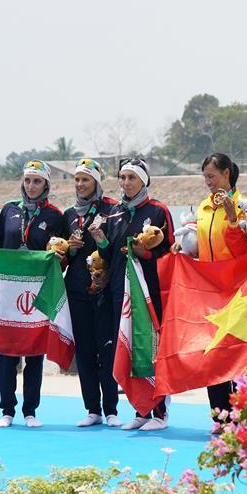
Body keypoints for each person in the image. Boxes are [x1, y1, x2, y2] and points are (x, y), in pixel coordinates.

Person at [0, 160, 65, 428]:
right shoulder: (9, 210)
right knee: (5, 352)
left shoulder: (55, 216)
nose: (31, 186)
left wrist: (60, 256)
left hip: (36, 296)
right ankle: (6, 410)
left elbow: (63, 257)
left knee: (34, 353)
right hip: (6, 295)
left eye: (37, 181)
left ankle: (30, 411)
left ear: (46, 184)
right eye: (28, 180)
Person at [89, 157, 174, 431]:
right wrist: (101, 241)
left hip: (148, 293)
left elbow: (169, 253)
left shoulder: (158, 211)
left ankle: (159, 412)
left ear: (144, 181)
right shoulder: (113, 213)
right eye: (122, 178)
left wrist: (145, 253)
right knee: (126, 349)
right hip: (119, 294)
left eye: (131, 178)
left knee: (150, 350)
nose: (126, 183)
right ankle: (140, 410)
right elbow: (109, 255)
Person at [171, 153, 247, 427]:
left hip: (237, 289)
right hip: (208, 291)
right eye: (205, 177)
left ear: (227, 174)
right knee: (212, 353)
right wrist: (183, 249)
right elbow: (200, 246)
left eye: (212, 176)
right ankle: (220, 417)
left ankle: (242, 417)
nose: (208, 182)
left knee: (238, 352)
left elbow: (242, 250)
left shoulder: (245, 206)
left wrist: (231, 218)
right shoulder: (203, 208)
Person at [63, 158, 120, 427]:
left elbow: (116, 250)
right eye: (77, 179)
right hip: (76, 292)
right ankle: (92, 409)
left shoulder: (112, 209)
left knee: (106, 350)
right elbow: (61, 257)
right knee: (84, 351)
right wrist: (70, 249)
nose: (80, 184)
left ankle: (111, 409)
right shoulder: (68, 215)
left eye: (85, 179)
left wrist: (102, 241)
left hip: (104, 291)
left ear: (97, 182)